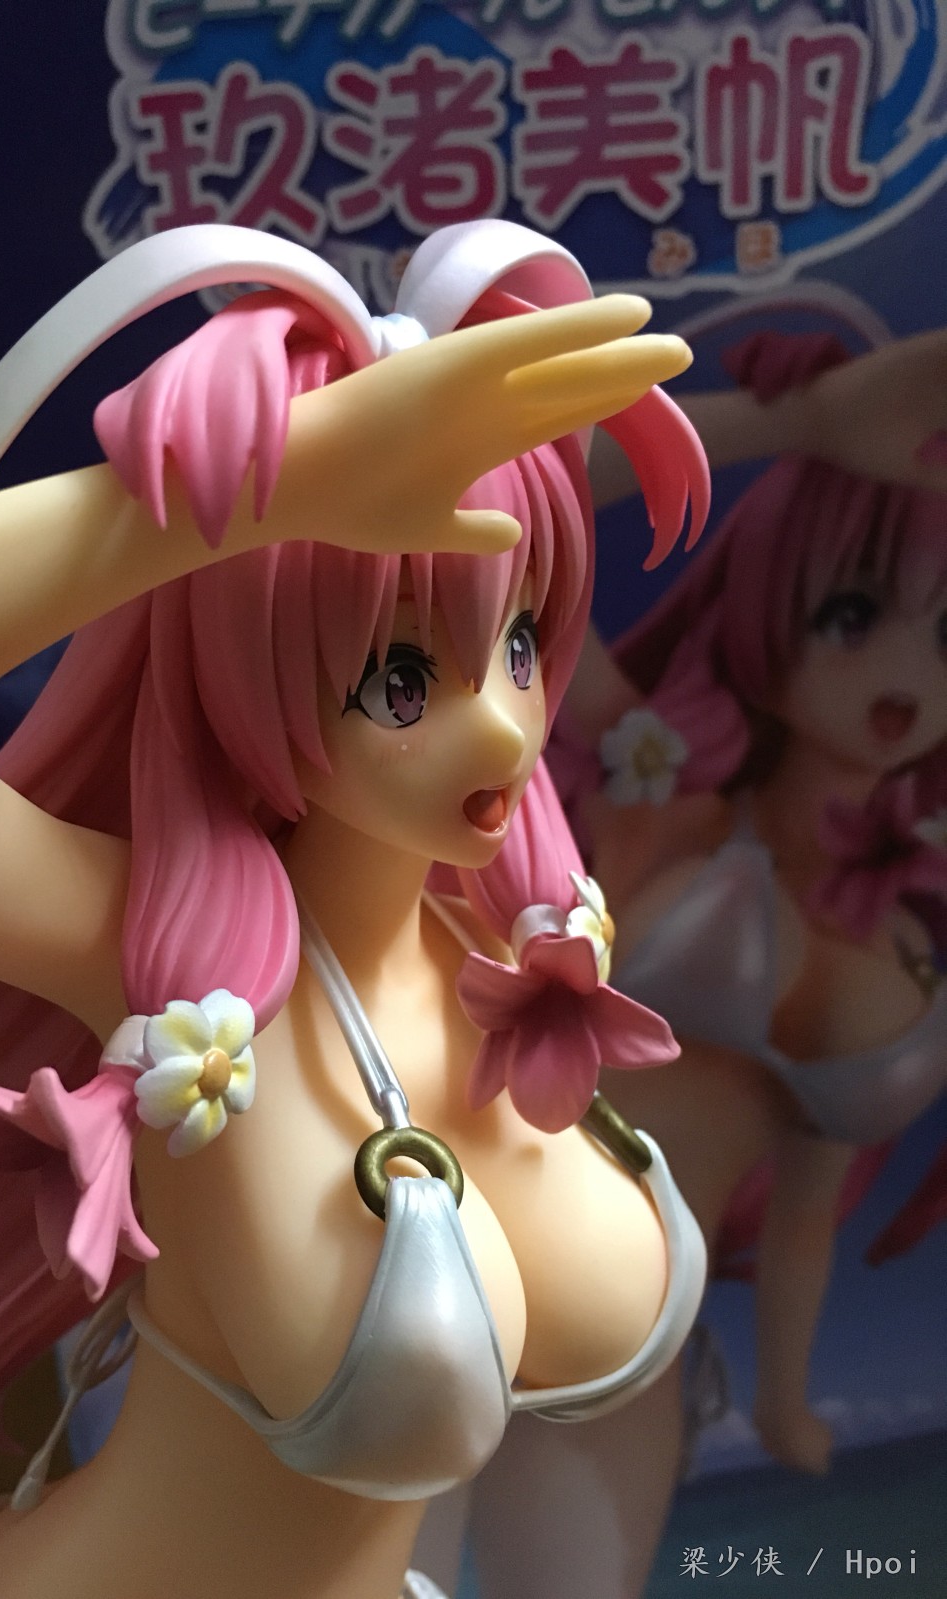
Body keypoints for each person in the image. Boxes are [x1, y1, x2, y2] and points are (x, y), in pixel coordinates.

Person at [0, 221, 709, 1599]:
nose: (502, 729)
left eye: (515, 641)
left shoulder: (500, 934)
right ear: (247, 666)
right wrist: (258, 489)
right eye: (397, 682)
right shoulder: (149, 961)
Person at [448, 328, 947, 1599]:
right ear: (773, 596)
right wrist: (796, 422)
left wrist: (783, 1400)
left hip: (632, 1345)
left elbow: (802, 1210)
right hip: (450, 1262)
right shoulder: (657, 780)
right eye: (852, 612)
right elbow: (488, 509)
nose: (904, 674)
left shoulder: (906, 918)